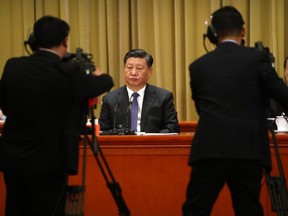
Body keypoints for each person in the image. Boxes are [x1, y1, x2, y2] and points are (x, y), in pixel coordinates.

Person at [0, 16, 113, 216]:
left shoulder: (13, 66)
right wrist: (93, 69)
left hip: (13, 160)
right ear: (65, 41)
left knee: (15, 209)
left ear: (34, 40)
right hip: (50, 162)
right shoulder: (68, 72)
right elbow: (105, 82)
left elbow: (6, 108)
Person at [182, 6, 288, 216]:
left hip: (211, 148)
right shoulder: (258, 59)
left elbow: (201, 107)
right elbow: (282, 94)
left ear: (213, 34)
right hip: (248, 149)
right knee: (248, 208)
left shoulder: (198, 66)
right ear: (243, 32)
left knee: (196, 208)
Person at [99, 48, 180, 133]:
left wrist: (153, 140)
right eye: (129, 67)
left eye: (139, 68)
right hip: (122, 145)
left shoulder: (163, 97)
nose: (133, 72)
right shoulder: (110, 99)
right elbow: (103, 130)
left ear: (149, 71)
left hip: (152, 145)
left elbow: (172, 127)